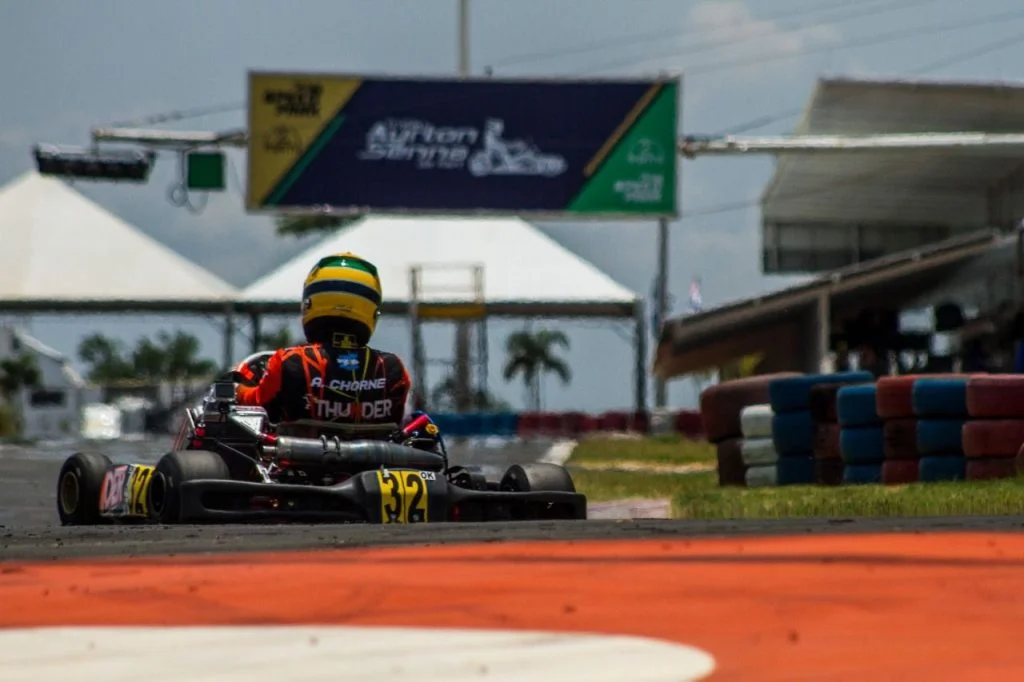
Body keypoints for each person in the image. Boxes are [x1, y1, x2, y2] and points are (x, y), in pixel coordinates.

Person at [234, 251, 413, 429]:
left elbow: (253, 403)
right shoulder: (392, 369)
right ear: (372, 312)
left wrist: (237, 388)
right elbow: (400, 421)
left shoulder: (289, 363)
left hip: (297, 457)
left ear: (309, 304)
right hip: (376, 458)